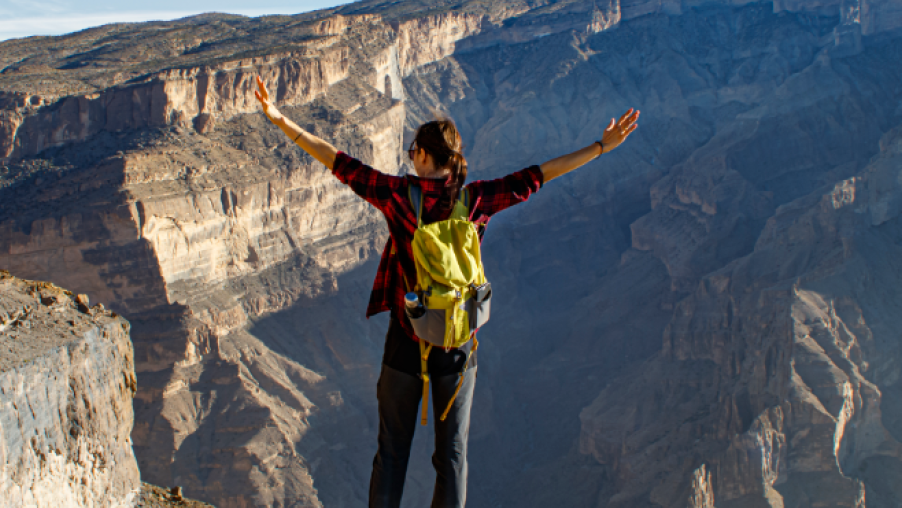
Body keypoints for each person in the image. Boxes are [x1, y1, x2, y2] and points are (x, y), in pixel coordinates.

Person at [253, 76, 639, 508]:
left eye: (411, 152)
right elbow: (540, 174)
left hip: (406, 338)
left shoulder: (398, 196)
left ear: (420, 154)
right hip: (457, 344)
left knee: (392, 452)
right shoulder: (476, 200)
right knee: (452, 456)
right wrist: (602, 147)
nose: (409, 159)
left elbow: (337, 161)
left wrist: (280, 119)